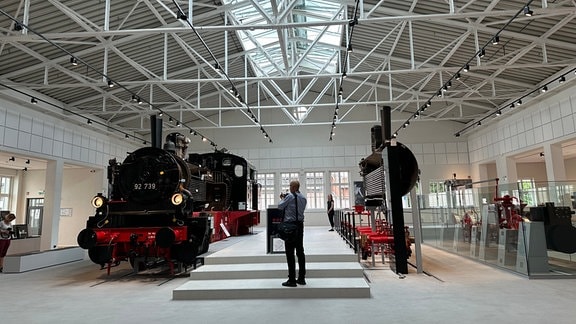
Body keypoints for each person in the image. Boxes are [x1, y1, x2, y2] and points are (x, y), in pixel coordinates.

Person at [277, 180, 307, 287]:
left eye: (290, 185)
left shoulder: (289, 197)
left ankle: (292, 279)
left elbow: (280, 206)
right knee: (300, 251)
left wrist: (282, 198)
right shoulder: (303, 198)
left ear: (294, 187)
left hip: (290, 226)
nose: (289, 187)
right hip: (300, 225)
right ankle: (302, 278)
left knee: (290, 253)